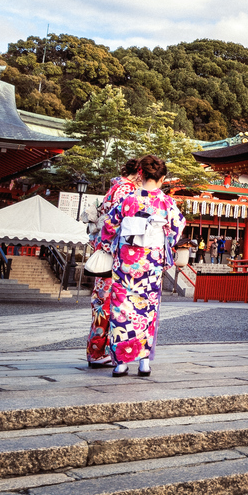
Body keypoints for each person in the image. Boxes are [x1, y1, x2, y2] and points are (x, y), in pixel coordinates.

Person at [91, 154, 184, 378]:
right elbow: (176, 229)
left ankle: (121, 363)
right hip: (151, 265)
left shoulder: (128, 200)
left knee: (121, 311)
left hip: (125, 264)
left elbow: (109, 227)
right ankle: (143, 363)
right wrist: (164, 245)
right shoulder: (167, 202)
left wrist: (107, 245)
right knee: (147, 311)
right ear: (162, 179)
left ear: (140, 174)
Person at [84, 158, 142, 369]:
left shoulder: (114, 188)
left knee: (101, 303)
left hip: (104, 250)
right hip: (114, 255)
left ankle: (96, 350)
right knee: (112, 305)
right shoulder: (127, 191)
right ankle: (102, 352)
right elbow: (121, 224)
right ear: (139, 174)